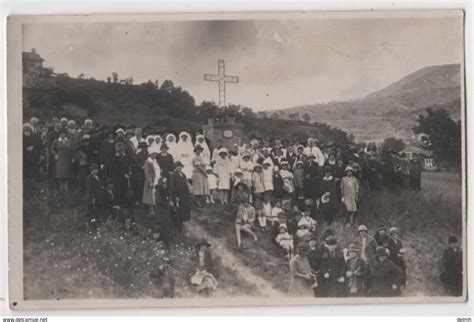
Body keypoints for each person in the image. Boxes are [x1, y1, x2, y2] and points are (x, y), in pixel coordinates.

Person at [169, 161, 192, 234]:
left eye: (181, 166)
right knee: (178, 212)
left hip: (184, 196)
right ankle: (177, 229)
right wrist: (175, 196)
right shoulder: (173, 175)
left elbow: (186, 185)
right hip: (178, 196)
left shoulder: (183, 174)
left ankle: (183, 227)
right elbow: (172, 187)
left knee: (184, 211)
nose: (180, 167)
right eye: (178, 166)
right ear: (175, 167)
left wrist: (188, 195)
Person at [155, 177, 174, 248]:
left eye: (166, 183)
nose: (165, 185)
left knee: (167, 226)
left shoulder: (166, 191)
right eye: (163, 183)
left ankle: (167, 241)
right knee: (162, 227)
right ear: (160, 184)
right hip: (161, 211)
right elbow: (159, 201)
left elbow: (168, 198)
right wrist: (168, 203)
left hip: (166, 211)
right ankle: (162, 241)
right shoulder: (158, 191)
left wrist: (170, 202)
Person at [143, 146, 161, 216]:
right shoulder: (147, 162)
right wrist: (150, 181)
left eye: (155, 154)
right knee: (150, 195)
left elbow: (157, 169)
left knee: (156, 194)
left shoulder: (156, 161)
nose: (155, 155)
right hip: (151, 180)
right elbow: (146, 172)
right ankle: (151, 210)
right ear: (150, 154)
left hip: (157, 179)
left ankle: (156, 209)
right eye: (153, 154)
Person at [85, 163, 103, 228]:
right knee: (91, 213)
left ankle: (96, 225)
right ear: (93, 169)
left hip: (98, 197)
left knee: (96, 212)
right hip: (92, 197)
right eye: (96, 169)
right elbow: (90, 189)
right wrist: (92, 198)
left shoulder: (97, 177)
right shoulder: (89, 177)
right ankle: (90, 225)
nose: (97, 170)